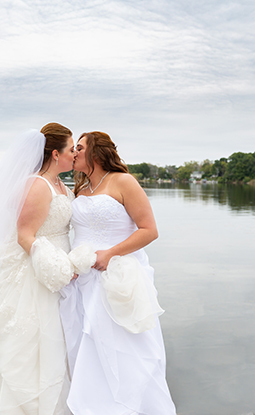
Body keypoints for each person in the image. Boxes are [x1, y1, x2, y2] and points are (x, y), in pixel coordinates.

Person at [59, 131, 177, 415]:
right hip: (82, 281)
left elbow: (150, 230)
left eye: (80, 147)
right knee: (87, 347)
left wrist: (111, 253)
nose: (74, 152)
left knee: (127, 351)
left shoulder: (123, 181)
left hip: (118, 277)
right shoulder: (81, 187)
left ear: (97, 153)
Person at [0, 123, 76, 415]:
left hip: (61, 267)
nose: (74, 155)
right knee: (31, 346)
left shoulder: (61, 185)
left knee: (57, 344)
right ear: (55, 154)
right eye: (70, 149)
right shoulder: (36, 184)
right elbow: (25, 235)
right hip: (37, 272)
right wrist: (55, 266)